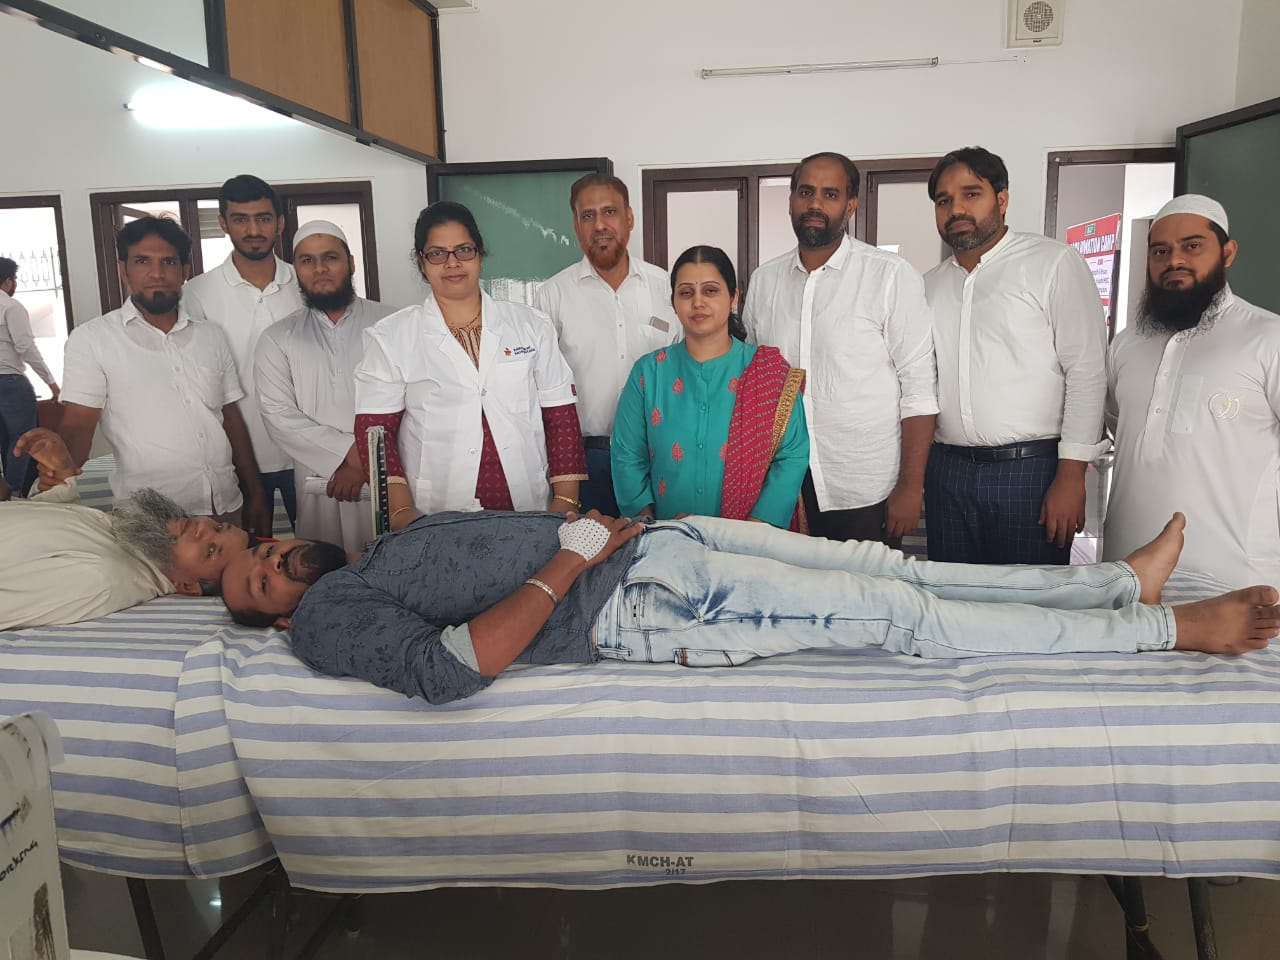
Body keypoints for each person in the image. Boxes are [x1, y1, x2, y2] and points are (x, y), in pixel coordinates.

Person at [220, 508, 1278, 706]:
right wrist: (566, 565)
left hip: (657, 541)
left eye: (260, 555)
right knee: (895, 612)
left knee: (890, 567)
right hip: (638, 605)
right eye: (261, 583)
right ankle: (1169, 628)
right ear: (280, 621)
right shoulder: (328, 619)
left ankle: (1112, 584)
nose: (271, 561)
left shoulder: (365, 555)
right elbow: (450, 670)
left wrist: (597, 531)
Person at [352, 201, 587, 530]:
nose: (453, 263)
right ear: (421, 262)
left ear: (480, 254)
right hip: (433, 511)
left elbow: (560, 418)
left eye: (464, 250)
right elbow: (375, 432)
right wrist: (401, 510)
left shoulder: (532, 325)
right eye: (437, 253)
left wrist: (565, 503)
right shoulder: (391, 337)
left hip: (526, 503)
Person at [923, 147, 1107, 565]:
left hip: (1031, 472)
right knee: (951, 596)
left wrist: (1071, 476)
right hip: (948, 472)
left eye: (971, 194)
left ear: (1002, 199)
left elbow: (1087, 372)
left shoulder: (1052, 264)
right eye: (944, 200)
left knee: (1032, 598)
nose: (956, 209)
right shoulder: (929, 286)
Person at [743, 151, 937, 546]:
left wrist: (910, 486)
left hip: (863, 484)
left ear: (850, 206)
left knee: (863, 586)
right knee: (787, 582)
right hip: (782, 484)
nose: (815, 204)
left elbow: (919, 389)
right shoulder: (765, 281)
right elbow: (753, 380)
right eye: (805, 192)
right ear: (791, 201)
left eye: (830, 194)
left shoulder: (889, 276)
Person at [1104, 194, 1280, 588]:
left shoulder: (1268, 338)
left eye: (1192, 246)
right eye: (1160, 251)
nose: (1174, 261)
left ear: (1227, 253)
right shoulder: (1127, 344)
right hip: (1126, 572)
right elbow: (1120, 427)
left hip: (1235, 580)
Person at [57, 217, 271, 535]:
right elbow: (78, 426)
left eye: (168, 262)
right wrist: (57, 468)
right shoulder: (93, 340)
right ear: (123, 270)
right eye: (142, 261)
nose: (156, 273)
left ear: (184, 271)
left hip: (226, 507)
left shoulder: (211, 335)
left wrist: (255, 492)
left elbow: (229, 417)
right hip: (153, 522)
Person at [611, 245, 808, 528]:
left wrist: (750, 534)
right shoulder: (648, 373)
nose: (698, 302)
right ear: (674, 302)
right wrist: (652, 528)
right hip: (666, 539)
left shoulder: (770, 374)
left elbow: (791, 457)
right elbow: (627, 456)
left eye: (711, 291)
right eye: (686, 293)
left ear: (733, 297)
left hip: (752, 541)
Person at [0, 428, 252, 630]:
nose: (202, 529)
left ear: (186, 586)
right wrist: (63, 481)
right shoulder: (132, 542)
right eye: (219, 527)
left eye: (210, 551)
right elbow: (54, 538)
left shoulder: (99, 580)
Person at [534, 173, 681, 514]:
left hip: (657, 457)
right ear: (576, 226)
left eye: (609, 212)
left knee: (658, 544)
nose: (599, 225)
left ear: (629, 218)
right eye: (588, 215)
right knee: (587, 546)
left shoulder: (666, 288)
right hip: (584, 463)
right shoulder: (553, 296)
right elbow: (539, 389)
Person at [255, 221, 396, 552]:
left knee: (393, 559)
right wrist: (351, 454)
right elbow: (278, 415)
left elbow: (413, 403)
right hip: (321, 482)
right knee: (323, 566)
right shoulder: (278, 338)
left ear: (351, 263)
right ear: (296, 270)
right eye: (307, 260)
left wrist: (367, 460)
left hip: (388, 475)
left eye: (330, 257)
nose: (319, 269)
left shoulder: (393, 324)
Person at [183, 175, 304, 529]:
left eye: (263, 218)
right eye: (240, 219)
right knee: (248, 552)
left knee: (319, 550)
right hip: (236, 458)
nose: (253, 230)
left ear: (279, 223)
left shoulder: (305, 284)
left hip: (307, 451)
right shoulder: (196, 294)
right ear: (224, 223)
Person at [0, 257, 58, 495]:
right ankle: (15, 493)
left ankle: (4, 497)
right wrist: (51, 383)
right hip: (10, 381)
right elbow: (26, 347)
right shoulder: (11, 306)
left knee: (3, 441)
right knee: (22, 440)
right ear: (8, 281)